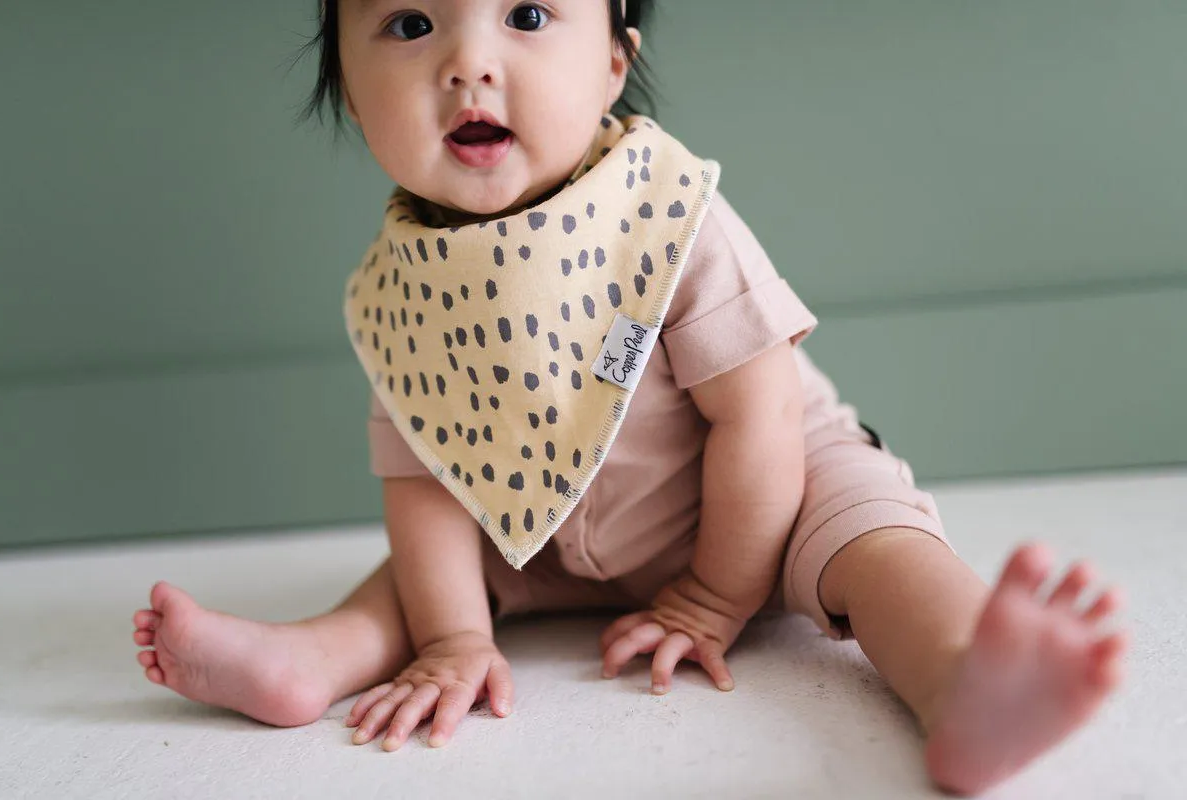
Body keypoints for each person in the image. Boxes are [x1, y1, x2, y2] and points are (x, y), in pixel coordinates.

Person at [131, 1, 1126, 794]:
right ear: (350, 91)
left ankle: (964, 680)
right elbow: (428, 472)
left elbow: (759, 414)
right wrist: (454, 638)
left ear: (613, 61)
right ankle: (311, 659)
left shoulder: (665, 212)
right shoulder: (406, 283)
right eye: (409, 24)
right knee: (427, 566)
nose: (468, 62)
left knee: (878, 541)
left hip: (766, 492)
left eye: (525, 16)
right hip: (545, 527)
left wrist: (715, 593)